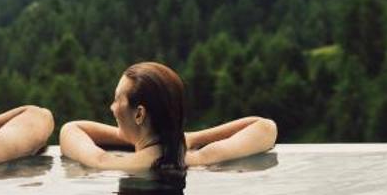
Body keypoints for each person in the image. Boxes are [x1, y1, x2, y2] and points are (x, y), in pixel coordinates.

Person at [58, 60, 277, 170]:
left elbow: (71, 129)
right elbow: (265, 127)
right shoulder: (198, 159)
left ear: (139, 115)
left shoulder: (109, 164)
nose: (112, 108)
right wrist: (183, 138)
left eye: (117, 100)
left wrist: (136, 137)